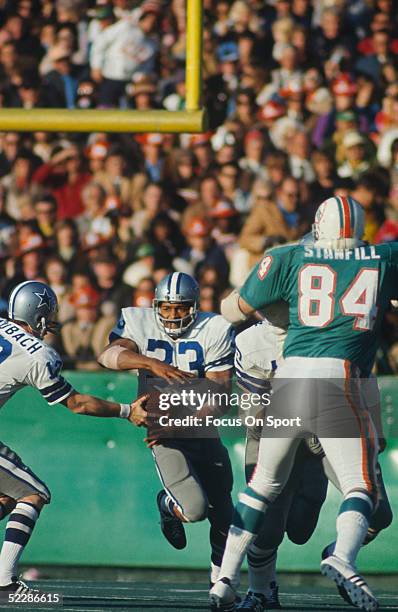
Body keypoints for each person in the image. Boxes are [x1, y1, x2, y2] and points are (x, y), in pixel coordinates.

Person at [211, 195, 397, 611]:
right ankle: (340, 556)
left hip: (291, 379)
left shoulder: (289, 258)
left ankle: (224, 578)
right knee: (359, 487)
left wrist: (272, 294)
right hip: (340, 380)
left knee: (261, 488)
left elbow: (230, 309)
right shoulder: (384, 257)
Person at [0, 280, 146, 598]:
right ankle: (5, 583)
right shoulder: (36, 354)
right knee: (33, 495)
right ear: (38, 315)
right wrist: (125, 410)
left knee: (7, 497)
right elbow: (78, 404)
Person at [98, 272, 235, 587]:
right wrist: (150, 363)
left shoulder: (213, 328)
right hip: (164, 434)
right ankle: (167, 504)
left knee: (223, 509)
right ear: (155, 305)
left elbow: (220, 395)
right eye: (167, 308)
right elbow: (107, 356)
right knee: (196, 509)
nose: (173, 315)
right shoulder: (138, 321)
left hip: (198, 427)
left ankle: (221, 581)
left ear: (194, 306)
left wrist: (183, 422)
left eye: (181, 308)